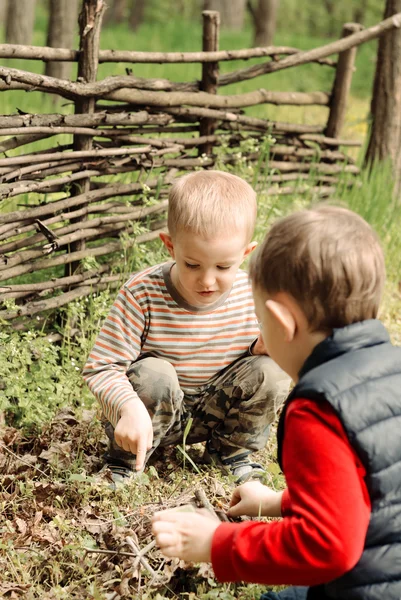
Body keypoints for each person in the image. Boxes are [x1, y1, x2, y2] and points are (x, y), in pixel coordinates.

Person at [152, 205, 401, 600]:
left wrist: (218, 541)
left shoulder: (320, 411)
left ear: (281, 324)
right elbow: (376, 487)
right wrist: (276, 503)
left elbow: (327, 546)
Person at [83, 170, 289, 486]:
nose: (207, 281)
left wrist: (263, 347)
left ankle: (230, 454)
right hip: (148, 414)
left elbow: (261, 354)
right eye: (192, 264)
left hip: (213, 412)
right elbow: (102, 368)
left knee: (271, 370)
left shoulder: (253, 293)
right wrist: (128, 407)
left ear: (246, 254)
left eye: (223, 266)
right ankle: (124, 462)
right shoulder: (142, 293)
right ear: (170, 246)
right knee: (156, 372)